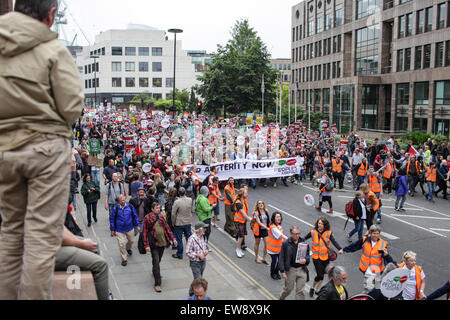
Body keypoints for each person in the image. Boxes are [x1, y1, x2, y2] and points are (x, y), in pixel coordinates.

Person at [0, 0, 84, 300]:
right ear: (50, 15)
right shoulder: (52, 49)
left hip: (4, 151)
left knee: (11, 232)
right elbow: (72, 108)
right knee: (39, 239)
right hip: (45, 152)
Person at [57, 225, 110, 300]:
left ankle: (104, 290)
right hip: (45, 251)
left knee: (94, 246)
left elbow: (59, 225)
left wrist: (78, 241)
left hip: (50, 243)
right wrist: (80, 244)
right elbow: (53, 236)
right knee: (101, 265)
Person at [343, 225, 390, 293]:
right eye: (374, 233)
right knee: (369, 289)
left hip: (377, 271)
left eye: (377, 233)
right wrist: (344, 250)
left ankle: (365, 293)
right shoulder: (364, 240)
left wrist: (387, 266)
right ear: (370, 233)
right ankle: (366, 293)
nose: (376, 235)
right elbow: (355, 246)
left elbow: (385, 257)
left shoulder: (383, 243)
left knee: (377, 288)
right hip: (367, 270)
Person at [304, 217, 344, 297]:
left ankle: (317, 289)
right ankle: (312, 288)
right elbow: (304, 238)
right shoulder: (313, 232)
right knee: (320, 275)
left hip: (325, 258)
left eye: (321, 224)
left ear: (325, 225)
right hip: (316, 258)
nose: (320, 225)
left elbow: (334, 241)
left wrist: (340, 248)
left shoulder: (328, 233)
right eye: (319, 223)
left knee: (321, 274)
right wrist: (297, 241)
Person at [143, 202, 177, 293]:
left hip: (162, 243)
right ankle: (157, 284)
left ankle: (155, 270)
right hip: (153, 244)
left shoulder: (161, 217)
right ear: (152, 209)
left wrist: (173, 239)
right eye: (157, 208)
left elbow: (167, 229)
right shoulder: (147, 218)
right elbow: (145, 232)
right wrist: (146, 245)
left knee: (158, 260)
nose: (159, 210)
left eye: (159, 208)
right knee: (156, 261)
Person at [279, 226, 310, 300]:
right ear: (291, 234)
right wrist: (282, 271)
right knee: (288, 289)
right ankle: (281, 298)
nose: (297, 235)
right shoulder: (286, 243)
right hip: (290, 270)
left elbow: (307, 254)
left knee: (300, 291)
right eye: (295, 234)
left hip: (301, 269)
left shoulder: (303, 242)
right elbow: (281, 257)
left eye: (298, 233)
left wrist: (306, 259)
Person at [109, 194, 140, 266]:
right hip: (119, 229)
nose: (123, 201)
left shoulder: (130, 206)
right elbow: (112, 219)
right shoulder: (115, 208)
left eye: (124, 199)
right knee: (121, 244)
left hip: (129, 228)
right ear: (119, 201)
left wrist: (137, 224)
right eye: (121, 200)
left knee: (131, 241)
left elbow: (135, 215)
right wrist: (112, 229)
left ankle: (128, 248)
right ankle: (124, 259)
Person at [185, 222, 209, 296]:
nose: (205, 229)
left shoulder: (203, 237)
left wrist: (205, 251)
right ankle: (197, 295)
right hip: (195, 263)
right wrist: (198, 255)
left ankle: (191, 291)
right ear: (199, 229)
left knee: (197, 279)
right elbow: (188, 252)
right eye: (204, 228)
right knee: (199, 280)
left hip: (203, 262)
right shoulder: (191, 239)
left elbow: (204, 246)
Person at [171, 187, 193, 260]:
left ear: (178, 193)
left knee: (179, 239)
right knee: (189, 238)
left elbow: (173, 214)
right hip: (188, 222)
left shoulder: (177, 202)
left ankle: (180, 254)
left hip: (179, 223)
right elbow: (190, 209)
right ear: (185, 192)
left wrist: (173, 222)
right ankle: (191, 252)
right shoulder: (190, 200)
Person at [267, 212, 288, 280]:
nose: (279, 218)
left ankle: (276, 272)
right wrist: (290, 239)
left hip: (279, 248)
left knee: (280, 262)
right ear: (273, 218)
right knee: (274, 261)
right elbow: (281, 235)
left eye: (279, 217)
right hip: (272, 249)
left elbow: (281, 237)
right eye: (277, 217)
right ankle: (272, 273)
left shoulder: (279, 226)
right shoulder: (273, 227)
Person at [234, 186, 252, 258]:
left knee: (242, 235)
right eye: (246, 193)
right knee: (241, 236)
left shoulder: (244, 200)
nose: (247, 194)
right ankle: (237, 249)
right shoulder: (238, 202)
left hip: (243, 221)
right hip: (239, 221)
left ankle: (239, 248)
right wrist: (251, 220)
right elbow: (243, 213)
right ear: (242, 194)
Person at [251, 200, 270, 265]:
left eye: (262, 203)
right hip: (258, 230)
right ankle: (256, 257)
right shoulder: (256, 213)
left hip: (264, 229)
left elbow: (268, 220)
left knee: (267, 244)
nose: (261, 204)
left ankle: (264, 258)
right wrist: (266, 227)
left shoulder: (266, 211)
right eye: (259, 203)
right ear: (257, 205)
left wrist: (269, 226)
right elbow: (258, 222)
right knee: (257, 243)